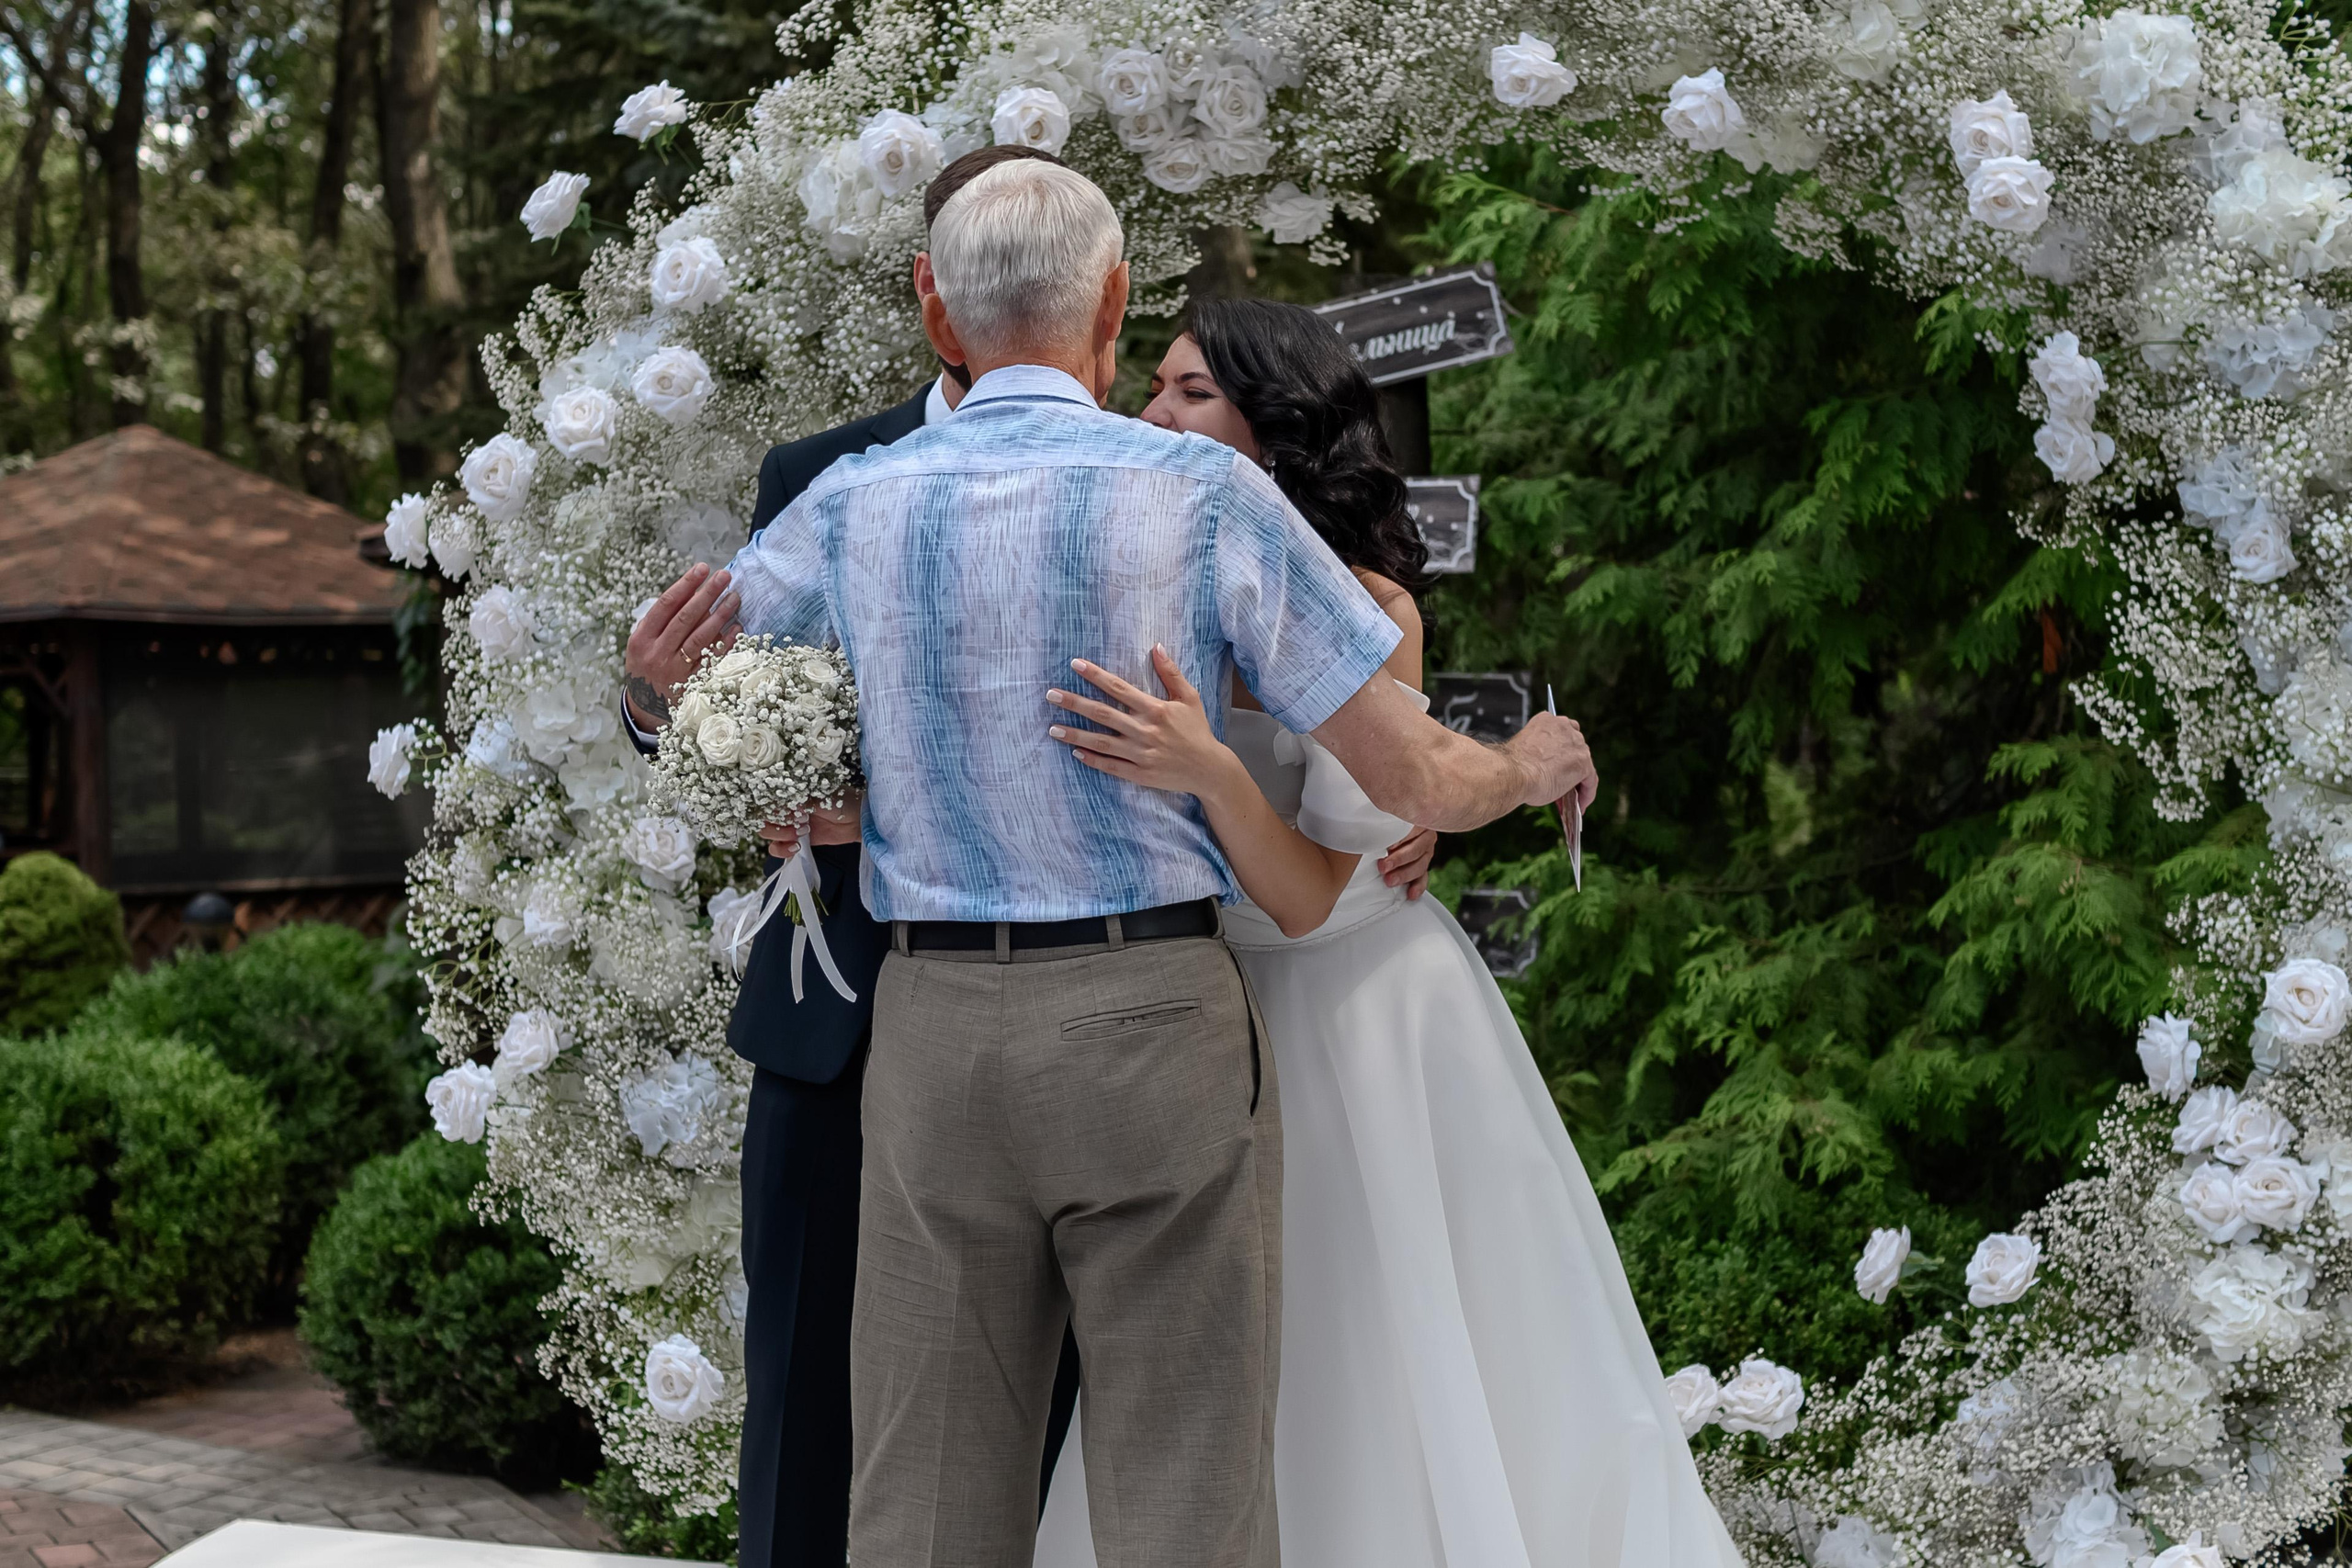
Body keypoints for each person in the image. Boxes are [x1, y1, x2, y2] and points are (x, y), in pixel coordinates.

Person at [727, 159, 1594, 1568]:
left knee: (923, 1498)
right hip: (1146, 1022)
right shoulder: (1201, 496)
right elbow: (1413, 775)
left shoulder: (852, 502)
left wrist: (763, 773)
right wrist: (1534, 764)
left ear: (942, 315)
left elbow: (700, 691)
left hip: (930, 1032)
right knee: (1181, 1492)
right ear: (1113, 305)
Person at [1029, 298, 1747, 1568]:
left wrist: (1230, 776)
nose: (1153, 414)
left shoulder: (1370, 606)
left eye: (1192, 393)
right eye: (1155, 388)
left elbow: (1325, 882)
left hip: (1357, 1009)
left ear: (1279, 427)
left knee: (1389, 1337)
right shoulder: (1127, 580)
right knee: (1229, 1355)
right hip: (1201, 1003)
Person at [620, 144, 1171, 1568]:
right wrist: (652, 702)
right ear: (937, 297)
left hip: (1088, 1028)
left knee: (1055, 1425)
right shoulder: (824, 477)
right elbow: (736, 713)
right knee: (809, 1415)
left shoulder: (1155, 483)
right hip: (845, 1021)